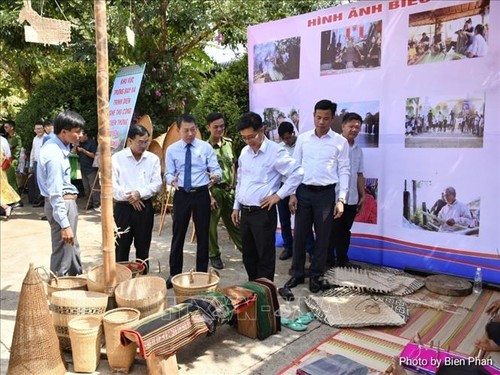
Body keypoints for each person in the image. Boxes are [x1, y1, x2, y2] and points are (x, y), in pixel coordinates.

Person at [281, 99, 350, 300]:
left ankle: (316, 275)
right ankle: (297, 274)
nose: (321, 122)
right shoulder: (303, 139)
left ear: (332, 118)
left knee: (322, 238)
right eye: (318, 117)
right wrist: (293, 193)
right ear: (313, 115)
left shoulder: (340, 142)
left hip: (326, 195)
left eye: (326, 118)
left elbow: (344, 170)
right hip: (303, 192)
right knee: (300, 235)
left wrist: (341, 199)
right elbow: (295, 167)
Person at [231, 112, 303, 282]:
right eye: (244, 138)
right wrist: (236, 205)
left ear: (262, 130)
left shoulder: (276, 152)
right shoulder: (244, 152)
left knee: (265, 257)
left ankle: (265, 294)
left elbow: (298, 172)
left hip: (263, 213)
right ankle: (253, 290)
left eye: (251, 136)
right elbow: (241, 179)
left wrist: (279, 195)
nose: (249, 141)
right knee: (248, 255)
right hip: (246, 213)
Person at [165, 114, 221, 288]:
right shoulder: (172, 150)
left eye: (192, 130)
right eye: (185, 130)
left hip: (201, 194)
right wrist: (170, 180)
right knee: (178, 234)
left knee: (203, 235)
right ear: (178, 130)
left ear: (196, 128)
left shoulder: (205, 148)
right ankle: (174, 273)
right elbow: (168, 172)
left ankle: (202, 274)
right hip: (182, 194)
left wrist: (215, 176)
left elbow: (217, 169)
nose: (190, 134)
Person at [37, 110, 85, 276]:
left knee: (70, 249)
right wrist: (65, 224)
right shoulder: (54, 154)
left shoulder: (57, 147)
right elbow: (55, 193)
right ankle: (60, 291)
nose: (80, 135)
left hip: (63, 204)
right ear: (64, 132)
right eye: (77, 132)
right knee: (63, 254)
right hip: (62, 205)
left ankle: (74, 286)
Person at [112, 124, 162, 265]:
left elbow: (156, 184)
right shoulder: (117, 159)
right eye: (140, 142)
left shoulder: (153, 159)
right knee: (121, 245)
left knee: (143, 245)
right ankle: (121, 279)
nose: (144, 145)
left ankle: (142, 278)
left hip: (144, 208)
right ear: (130, 141)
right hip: (123, 208)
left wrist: (139, 193)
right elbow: (112, 186)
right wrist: (131, 197)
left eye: (146, 141)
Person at [328, 112, 365, 268]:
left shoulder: (358, 150)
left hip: (351, 198)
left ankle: (343, 260)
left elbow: (359, 174)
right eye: (351, 126)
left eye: (357, 127)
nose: (354, 130)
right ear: (343, 126)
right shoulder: (333, 145)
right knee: (330, 232)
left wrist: (362, 195)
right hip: (334, 197)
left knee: (345, 231)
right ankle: (327, 263)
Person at [206, 112, 242, 270]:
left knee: (235, 223)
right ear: (208, 128)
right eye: (216, 127)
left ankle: (246, 251)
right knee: (211, 227)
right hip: (214, 191)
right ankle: (214, 255)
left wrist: (235, 187)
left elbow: (233, 166)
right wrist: (209, 196)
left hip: (230, 191)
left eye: (222, 126)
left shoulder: (228, 143)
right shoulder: (204, 148)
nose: (220, 129)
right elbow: (200, 174)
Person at [73, 129, 100, 210]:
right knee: (86, 187)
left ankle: (97, 204)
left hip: (92, 168)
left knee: (94, 187)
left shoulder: (92, 142)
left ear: (86, 135)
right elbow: (73, 152)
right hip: (83, 168)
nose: (79, 139)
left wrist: (83, 151)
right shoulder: (79, 143)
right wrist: (75, 145)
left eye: (80, 137)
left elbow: (94, 155)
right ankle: (89, 203)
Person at [29, 120, 47, 207]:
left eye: (40, 128)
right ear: (34, 130)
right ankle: (40, 200)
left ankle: (45, 200)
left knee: (44, 182)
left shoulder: (47, 138)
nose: (39, 130)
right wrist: (31, 164)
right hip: (36, 163)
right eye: (37, 129)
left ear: (44, 129)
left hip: (44, 163)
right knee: (37, 182)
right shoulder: (35, 138)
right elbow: (33, 151)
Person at [1, 136, 20, 219]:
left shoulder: (2, 140)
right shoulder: (3, 140)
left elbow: (8, 155)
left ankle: (6, 207)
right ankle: (5, 207)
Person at [3, 120, 22, 198]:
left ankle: (16, 199)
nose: (5, 128)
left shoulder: (15, 137)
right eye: (4, 127)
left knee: (12, 180)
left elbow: (7, 148)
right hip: (10, 160)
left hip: (14, 160)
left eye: (6, 127)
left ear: (12, 127)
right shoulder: (9, 137)